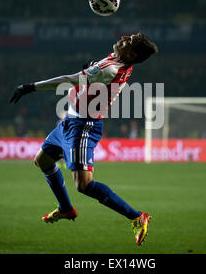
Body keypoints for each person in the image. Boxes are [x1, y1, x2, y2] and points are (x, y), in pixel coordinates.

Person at [9, 32, 158, 246]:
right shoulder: (118, 59)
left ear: (132, 53)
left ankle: (136, 217)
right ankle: (66, 209)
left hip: (83, 126)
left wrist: (30, 87)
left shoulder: (111, 68)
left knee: (83, 185)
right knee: (42, 160)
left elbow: (69, 80)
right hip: (71, 120)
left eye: (129, 40)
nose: (124, 38)